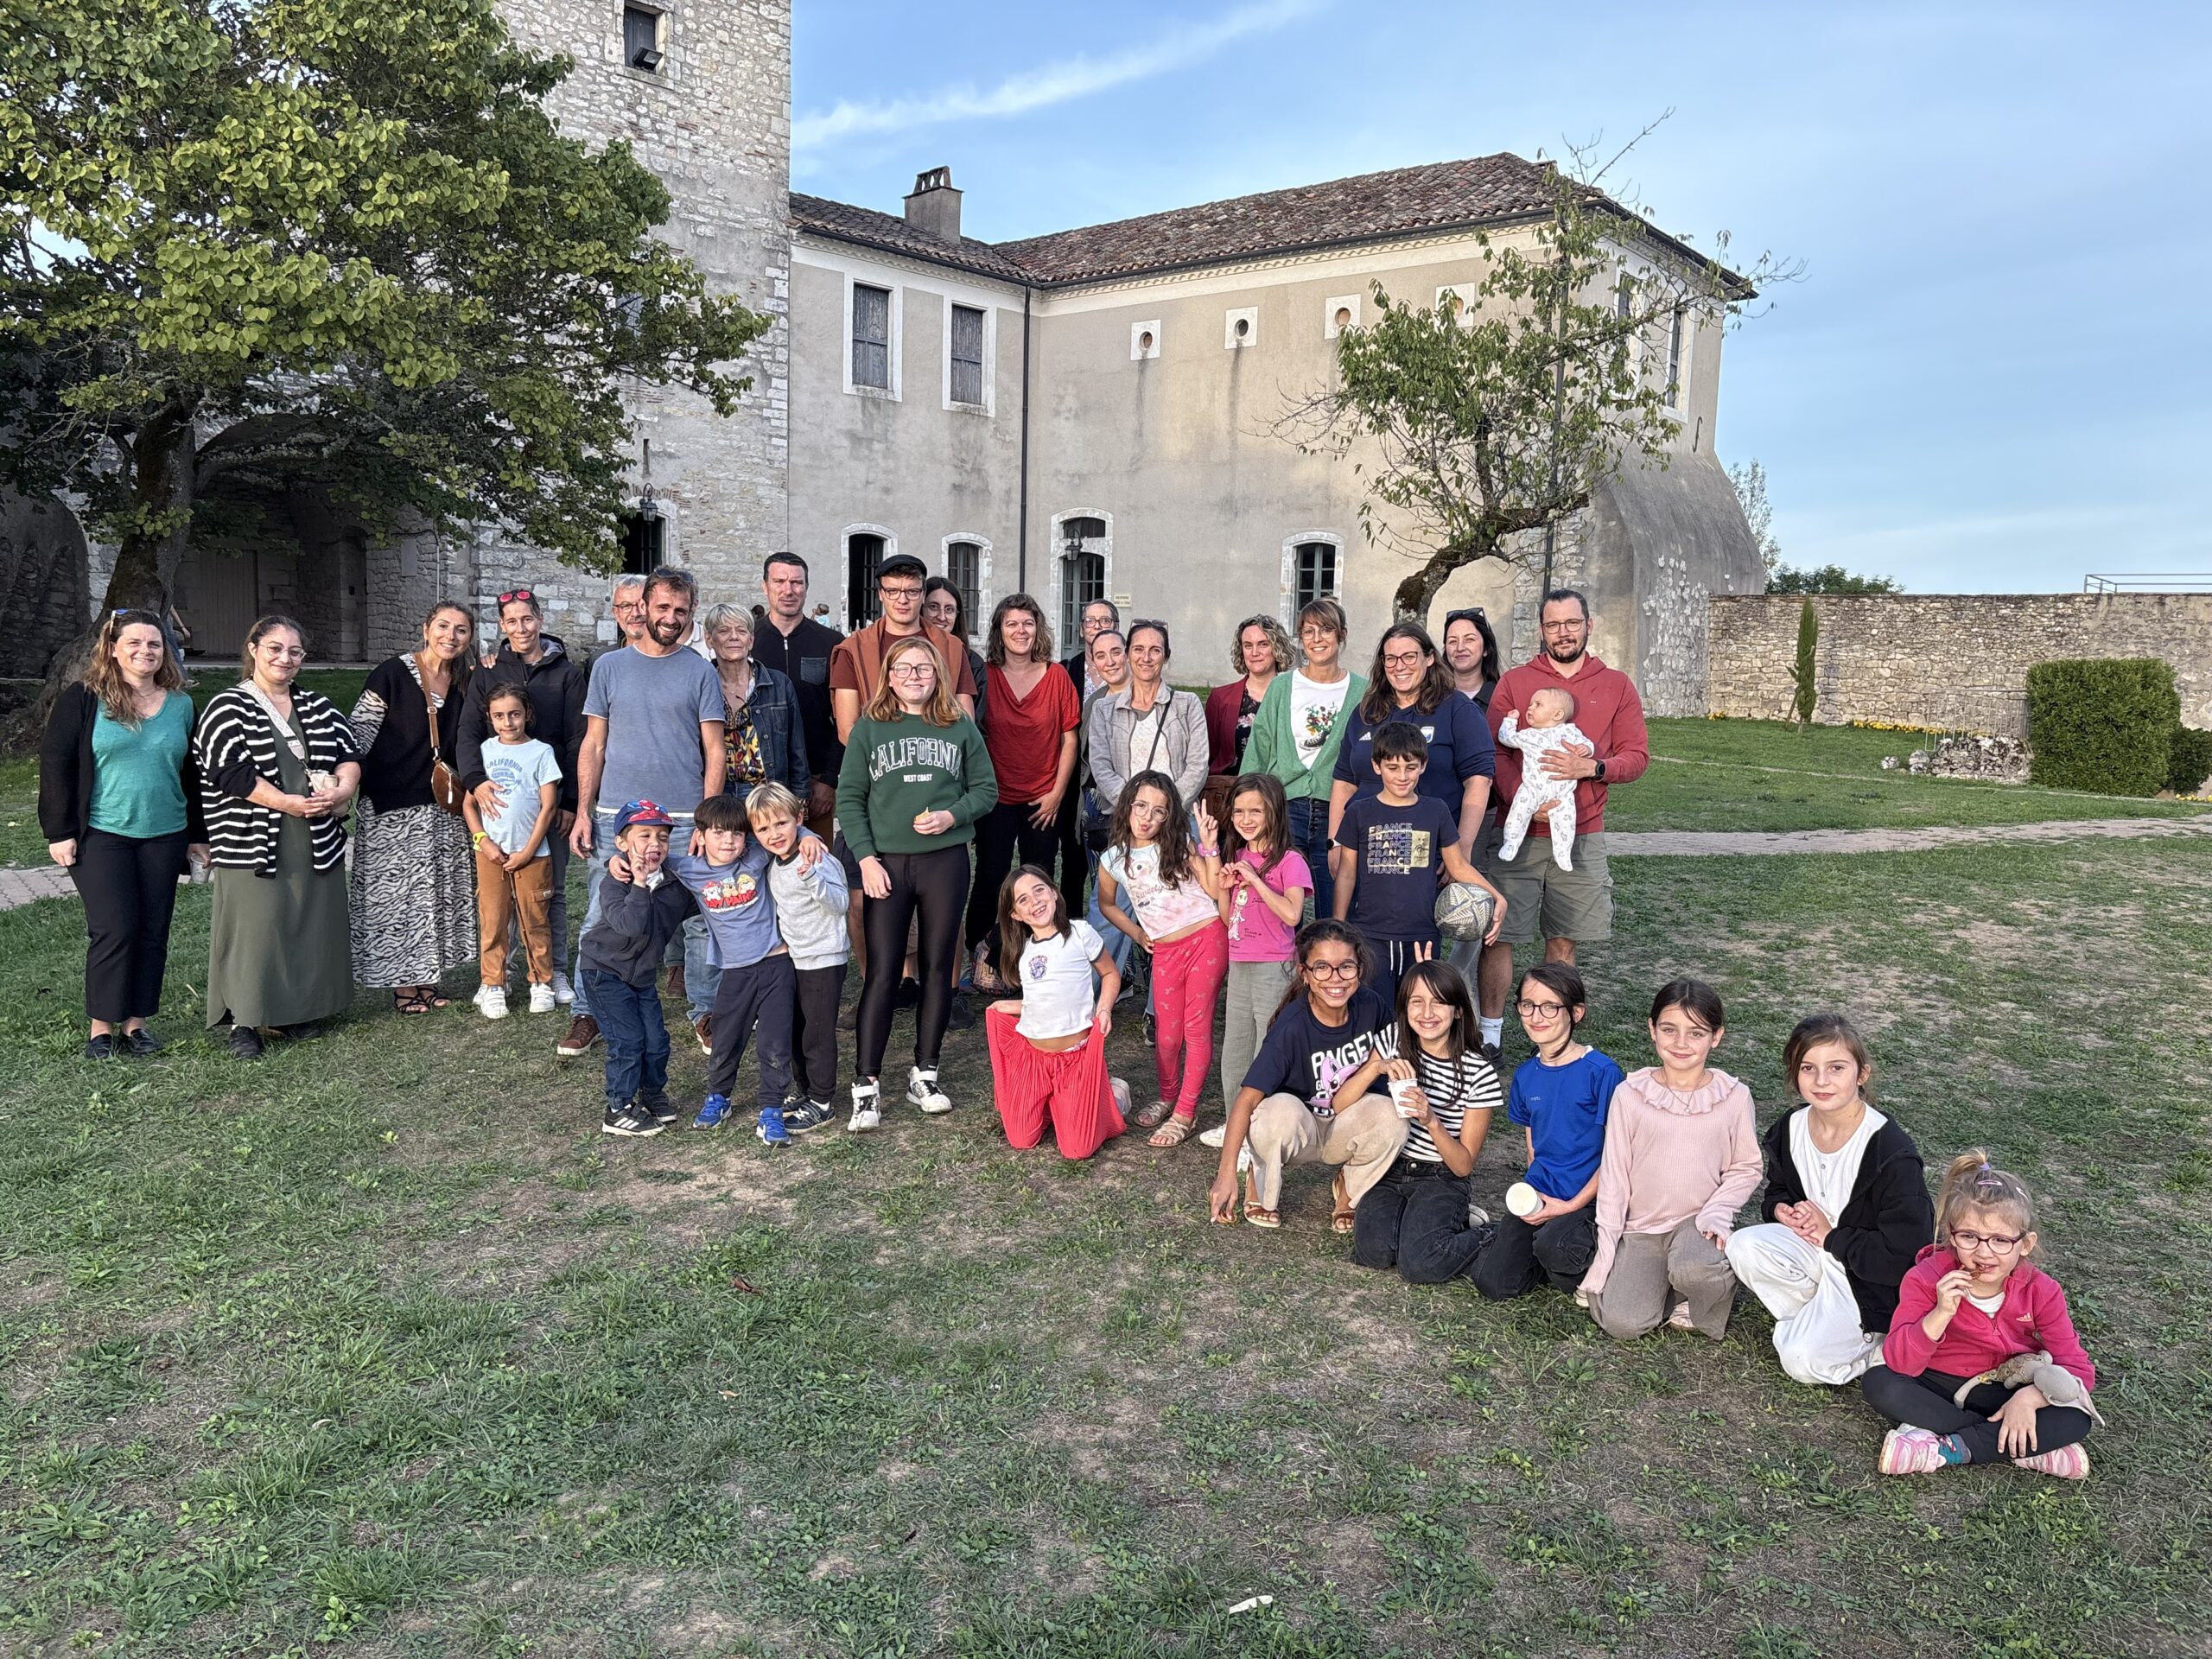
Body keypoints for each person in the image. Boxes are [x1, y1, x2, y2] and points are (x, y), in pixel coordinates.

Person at [558, 569, 726, 1058]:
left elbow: (714, 750)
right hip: (617, 816)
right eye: (663, 608)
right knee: (601, 917)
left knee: (701, 920)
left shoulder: (701, 671)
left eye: (681, 610)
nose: (671, 618)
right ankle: (588, 1011)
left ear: (692, 613)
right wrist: (584, 810)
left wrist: (706, 820)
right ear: (644, 607)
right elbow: (594, 744)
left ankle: (706, 1011)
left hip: (684, 817)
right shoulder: (609, 667)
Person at [1477, 588, 1649, 1060]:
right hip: (1518, 832)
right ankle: (1490, 1033)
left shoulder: (1615, 685)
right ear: (1542, 630)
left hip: (1579, 834)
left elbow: (1636, 755)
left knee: (1563, 937)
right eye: (1553, 625)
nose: (1563, 633)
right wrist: (1521, 798)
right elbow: (1493, 750)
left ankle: (1552, 1038)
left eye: (1572, 623)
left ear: (1588, 625)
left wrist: (1593, 768)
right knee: (1500, 934)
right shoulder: (1516, 682)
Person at [836, 633, 997, 1129]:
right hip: (886, 864)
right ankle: (866, 1083)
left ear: (938, 675)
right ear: (889, 676)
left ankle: (925, 1072)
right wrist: (866, 860)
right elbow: (850, 799)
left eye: (923, 668)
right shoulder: (869, 728)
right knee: (883, 970)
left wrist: (952, 815)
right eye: (903, 668)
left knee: (937, 966)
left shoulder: (958, 726)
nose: (913, 676)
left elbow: (986, 789)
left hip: (944, 862)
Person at [1726, 1014, 1933, 1387]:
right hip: (1815, 1251)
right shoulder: (1791, 1127)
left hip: (1868, 1277)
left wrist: (1832, 1236)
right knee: (1743, 1245)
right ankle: (1822, 1321)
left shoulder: (1889, 1151)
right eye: (1808, 1068)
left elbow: (1906, 1252)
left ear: (1861, 1074)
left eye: (1836, 1068)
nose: (1822, 1081)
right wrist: (1780, 1210)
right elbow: (1778, 1189)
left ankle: (1876, 1341)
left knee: (1801, 1362)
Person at [1863, 1153, 2096, 1479]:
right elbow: (1901, 1362)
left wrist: (2029, 1399)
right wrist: (1940, 1313)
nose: (1983, 1252)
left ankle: (1943, 1446)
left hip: (2001, 1387)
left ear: (2025, 1244)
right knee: (1880, 1383)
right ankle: (2018, 1445)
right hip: (1935, 1382)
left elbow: (2077, 1369)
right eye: (1969, 1237)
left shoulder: (2042, 1290)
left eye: (2000, 1240)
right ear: (1951, 1235)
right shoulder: (1925, 1278)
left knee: (2075, 1418)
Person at [39, 607, 208, 1057]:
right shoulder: (84, 698)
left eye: (154, 643)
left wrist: (198, 834)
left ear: (165, 651)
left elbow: (191, 776)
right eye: (133, 642)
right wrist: (59, 831)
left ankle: (136, 1025)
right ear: (113, 649)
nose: (144, 651)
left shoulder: (181, 705)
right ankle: (101, 1028)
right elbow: (56, 765)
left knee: (153, 930)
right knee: (114, 928)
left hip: (166, 834)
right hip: (102, 833)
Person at [195, 616, 362, 1059]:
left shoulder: (318, 706)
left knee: (307, 922)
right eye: (274, 648)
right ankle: (245, 1020)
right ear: (253, 649)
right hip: (252, 838)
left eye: (294, 651)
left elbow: (348, 754)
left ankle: (295, 1011)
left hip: (315, 836)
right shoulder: (227, 707)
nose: (285, 658)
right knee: (256, 928)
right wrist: (286, 803)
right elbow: (229, 772)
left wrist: (343, 790)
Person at [829, 553, 979, 999]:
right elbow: (847, 729)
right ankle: (883, 984)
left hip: (938, 790)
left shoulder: (950, 649)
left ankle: (945, 991)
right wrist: (900, 752)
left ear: (921, 594)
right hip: (879, 792)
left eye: (912, 591)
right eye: (893, 591)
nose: (902, 600)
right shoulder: (854, 649)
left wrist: (930, 767)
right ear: (880, 594)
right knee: (863, 898)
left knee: (944, 903)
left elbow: (965, 722)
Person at [1580, 979, 1762, 1341]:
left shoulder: (1734, 1096)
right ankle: (1667, 1285)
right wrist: (1605, 1255)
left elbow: (1747, 1166)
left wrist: (1718, 1212)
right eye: (1669, 1029)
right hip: (1642, 1229)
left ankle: (1701, 1289)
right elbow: (1615, 1176)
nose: (1681, 1043)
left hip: (1699, 1223)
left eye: (1696, 1033)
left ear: (1716, 1037)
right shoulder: (1630, 1095)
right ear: (1652, 1029)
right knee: (1621, 1323)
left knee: (1695, 1268)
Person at [1207, 920, 1406, 1233]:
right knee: (1279, 1109)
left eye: (1346, 967)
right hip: (1299, 1129)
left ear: (1359, 969)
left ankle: (1350, 1189)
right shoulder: (1291, 1027)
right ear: (1305, 974)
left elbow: (1401, 1048)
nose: (1335, 978)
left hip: (1346, 1121)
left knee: (1392, 1115)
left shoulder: (1372, 1007)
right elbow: (1246, 1100)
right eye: (1322, 967)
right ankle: (1259, 1179)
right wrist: (1226, 1173)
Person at [631, 792, 808, 1141]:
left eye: (737, 833)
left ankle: (772, 1109)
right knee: (725, 1038)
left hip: (776, 965)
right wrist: (616, 862)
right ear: (700, 835)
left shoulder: (755, 858)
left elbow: (789, 835)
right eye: (718, 833)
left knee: (774, 1042)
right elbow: (652, 859)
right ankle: (719, 1097)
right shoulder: (688, 869)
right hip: (735, 973)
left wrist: (811, 837)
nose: (729, 841)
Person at [454, 588, 588, 1006]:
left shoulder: (566, 674)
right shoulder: (488, 671)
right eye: (511, 621)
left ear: (540, 620)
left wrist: (570, 801)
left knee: (550, 892)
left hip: (549, 800)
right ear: (502, 626)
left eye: (527, 619)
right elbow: (467, 732)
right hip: (499, 803)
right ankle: (499, 977)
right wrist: (475, 780)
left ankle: (553, 971)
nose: (521, 628)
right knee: (498, 900)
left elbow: (577, 739)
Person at [690, 601, 811, 1048]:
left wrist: (797, 804)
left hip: (768, 796)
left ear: (752, 637)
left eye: (741, 630)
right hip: (720, 799)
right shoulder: (699, 682)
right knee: (713, 900)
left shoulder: (776, 683)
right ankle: (708, 1008)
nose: (734, 638)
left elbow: (795, 746)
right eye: (723, 632)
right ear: (710, 639)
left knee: (770, 895)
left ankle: (772, 995)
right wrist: (701, 815)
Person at [346, 602, 478, 1013]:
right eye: (443, 626)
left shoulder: (465, 681)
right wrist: (346, 784)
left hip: (442, 805)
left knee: (433, 896)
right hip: (393, 805)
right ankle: (403, 987)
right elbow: (358, 735)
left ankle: (427, 979)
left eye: (461, 630)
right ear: (426, 628)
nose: (450, 636)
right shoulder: (391, 675)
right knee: (396, 898)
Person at [1338, 957, 1503, 1283]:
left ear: (1458, 1010)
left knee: (1420, 1264)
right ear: (1404, 1007)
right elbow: (1340, 1103)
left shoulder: (1479, 1072)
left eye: (1438, 1002)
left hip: (1440, 1175)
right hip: (1389, 1168)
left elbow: (1463, 1165)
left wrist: (1431, 1121)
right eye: (1417, 1001)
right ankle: (1437, 1223)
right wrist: (1375, 1068)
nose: (1427, 1013)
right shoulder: (1394, 1040)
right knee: (1374, 1253)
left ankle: (1490, 1233)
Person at [1471, 963, 1623, 1303]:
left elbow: (1618, 1156)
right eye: (1528, 1005)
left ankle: (1589, 1246)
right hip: (1542, 1195)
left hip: (1588, 1200)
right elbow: (1533, 1147)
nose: (1536, 1016)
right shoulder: (1526, 1075)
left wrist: (1569, 1206)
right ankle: (1539, 1247)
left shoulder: (1602, 1072)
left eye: (1550, 1007)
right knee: (1492, 1282)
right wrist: (1535, 1199)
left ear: (1576, 1013)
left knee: (1557, 1250)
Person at [1096, 772, 1227, 1148]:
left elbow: (1213, 889)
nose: (1147, 817)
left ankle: (1186, 1110)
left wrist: (1209, 848)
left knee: (1195, 1028)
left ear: (1169, 817)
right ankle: (1168, 1095)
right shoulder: (1112, 859)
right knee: (1167, 1034)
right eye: (1141, 806)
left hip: (1206, 938)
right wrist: (1137, 934)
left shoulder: (1180, 844)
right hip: (1165, 950)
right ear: (1127, 806)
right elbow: (1107, 904)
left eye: (1159, 811)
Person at [1332, 723, 1503, 1008]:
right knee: (1376, 1011)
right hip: (1371, 934)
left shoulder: (1436, 810)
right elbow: (1346, 874)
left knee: (1418, 1007)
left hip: (1422, 934)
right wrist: (1339, 927)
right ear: (1376, 766)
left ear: (1422, 765)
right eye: (1392, 767)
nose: (1402, 776)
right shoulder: (1359, 812)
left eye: (1410, 767)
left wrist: (1497, 897)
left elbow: (1458, 866)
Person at [1328, 622, 1494, 906]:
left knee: (1418, 927)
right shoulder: (1366, 713)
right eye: (1391, 658)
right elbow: (1344, 781)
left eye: (1409, 656)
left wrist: (1461, 849)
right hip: (1366, 851)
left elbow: (1479, 780)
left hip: (1427, 853)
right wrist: (1335, 843)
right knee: (1362, 928)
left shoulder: (1458, 710)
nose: (1399, 666)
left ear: (1429, 658)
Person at [964, 595, 1080, 991]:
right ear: (999, 630)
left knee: (1039, 880)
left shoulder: (1057, 676)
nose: (1020, 631)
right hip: (995, 797)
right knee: (991, 876)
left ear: (1038, 629)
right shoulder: (985, 675)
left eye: (1027, 623)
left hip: (1043, 800)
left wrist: (1057, 794)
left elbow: (1069, 738)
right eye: (1011, 624)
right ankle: (981, 957)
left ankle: (1036, 959)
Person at [983, 866, 1129, 1160]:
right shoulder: (1023, 951)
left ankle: (1111, 1093)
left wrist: (1104, 1009)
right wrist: (1016, 1006)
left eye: (1039, 890)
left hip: (1074, 1058)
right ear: (1015, 914)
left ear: (1053, 892)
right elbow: (1044, 997)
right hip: (1034, 1059)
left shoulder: (1079, 933)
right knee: (1021, 1139)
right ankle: (1054, 1101)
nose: (1035, 901)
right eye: (1023, 900)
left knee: (1078, 1149)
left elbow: (1111, 974)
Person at [576, 799, 693, 1138]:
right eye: (644, 836)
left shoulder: (675, 883)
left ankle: (651, 1093)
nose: (655, 844)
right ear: (622, 843)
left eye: (662, 837)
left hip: (641, 977)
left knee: (656, 1040)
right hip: (604, 971)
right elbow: (629, 925)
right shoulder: (615, 881)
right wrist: (639, 884)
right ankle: (618, 1109)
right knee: (628, 1040)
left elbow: (706, 895)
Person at [1246, 598, 1363, 925]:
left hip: (1337, 812)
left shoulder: (1362, 691)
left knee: (1335, 910)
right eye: (1308, 631)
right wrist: (1249, 806)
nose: (1317, 639)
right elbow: (1259, 748)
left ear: (1342, 635)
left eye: (1326, 630)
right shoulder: (1282, 686)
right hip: (1285, 807)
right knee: (1283, 908)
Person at [1209, 773, 1311, 1139]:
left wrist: (1256, 880)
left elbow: (1292, 915)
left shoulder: (1290, 860)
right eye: (1239, 811)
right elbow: (1228, 919)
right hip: (1240, 962)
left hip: (1274, 966)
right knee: (1236, 1047)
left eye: (1256, 811)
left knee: (1265, 1048)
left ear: (1274, 812)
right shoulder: (1238, 856)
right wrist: (1225, 890)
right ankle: (1234, 1126)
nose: (1246, 819)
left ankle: (1261, 1130)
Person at [747, 782, 849, 1138]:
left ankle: (822, 1101)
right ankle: (805, 1088)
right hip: (794, 958)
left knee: (817, 1033)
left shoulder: (818, 858)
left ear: (799, 820)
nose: (774, 834)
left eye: (781, 824)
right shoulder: (773, 864)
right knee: (795, 1027)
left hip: (823, 957)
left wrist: (812, 879)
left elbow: (841, 904)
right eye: (763, 828)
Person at [462, 685, 562, 1018]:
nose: (508, 722)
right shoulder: (484, 751)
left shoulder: (541, 752)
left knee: (535, 920)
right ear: (490, 719)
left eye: (515, 714)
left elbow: (548, 807)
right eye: (500, 716)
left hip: (532, 854)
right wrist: (483, 841)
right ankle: (493, 984)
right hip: (492, 855)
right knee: (493, 920)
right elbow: (469, 805)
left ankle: (541, 982)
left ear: (527, 714)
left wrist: (528, 851)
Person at [752, 551, 844, 842]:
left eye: (796, 582)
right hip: (757, 779)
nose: (788, 590)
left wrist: (829, 779)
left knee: (815, 860)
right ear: (765, 586)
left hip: (817, 778)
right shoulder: (748, 642)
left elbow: (843, 717)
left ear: (806, 587)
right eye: (779, 581)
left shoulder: (832, 643)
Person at [1088, 619, 1208, 815]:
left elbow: (1198, 765)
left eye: (1155, 650)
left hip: (1178, 817)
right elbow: (1101, 767)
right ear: (1127, 654)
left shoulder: (1187, 705)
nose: (1146, 658)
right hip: (1127, 818)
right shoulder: (1104, 709)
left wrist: (1166, 808)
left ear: (1166, 656)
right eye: (1138, 649)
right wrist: (1135, 809)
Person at [1076, 627, 1137, 988]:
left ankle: (1123, 976)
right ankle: (1114, 977)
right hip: (1099, 813)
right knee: (1105, 896)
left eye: (1116, 652)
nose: (1110, 661)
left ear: (1127, 653)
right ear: (1093, 663)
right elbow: (1089, 763)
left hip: (1140, 811)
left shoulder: (1146, 695)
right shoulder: (1095, 703)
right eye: (1101, 656)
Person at [1055, 596, 1122, 913]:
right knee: (1073, 856)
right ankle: (1072, 921)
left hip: (1113, 777)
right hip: (1075, 776)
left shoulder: (1125, 672)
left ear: (1116, 627)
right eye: (1091, 621)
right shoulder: (1067, 670)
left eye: (1105, 620)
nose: (1097, 626)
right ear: (1082, 629)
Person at [1203, 613, 1292, 822]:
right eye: (1248, 645)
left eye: (1263, 644)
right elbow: (1210, 754)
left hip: (1281, 801)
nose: (1254, 652)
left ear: (1277, 647)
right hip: (1231, 800)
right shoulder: (1221, 698)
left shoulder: (1293, 696)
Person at [1495, 688, 1592, 869]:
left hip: (1562, 792)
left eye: (1538, 705)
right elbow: (1506, 738)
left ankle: (1563, 853)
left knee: (1566, 821)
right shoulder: (1528, 735)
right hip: (1532, 788)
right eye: (1530, 704)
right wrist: (1510, 720)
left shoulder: (1570, 732)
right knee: (1518, 811)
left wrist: (1586, 749)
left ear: (1557, 715)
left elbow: (1587, 743)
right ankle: (1511, 842)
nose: (1530, 708)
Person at [923, 576, 989, 732]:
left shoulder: (973, 662)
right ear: (921, 609)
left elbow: (976, 724)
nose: (942, 617)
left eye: (949, 609)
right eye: (933, 607)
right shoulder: (905, 656)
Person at [1441, 606, 1503, 710]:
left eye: (1469, 639)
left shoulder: (1501, 698)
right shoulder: (1432, 699)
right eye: (1453, 641)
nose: (1460, 648)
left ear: (1486, 648)